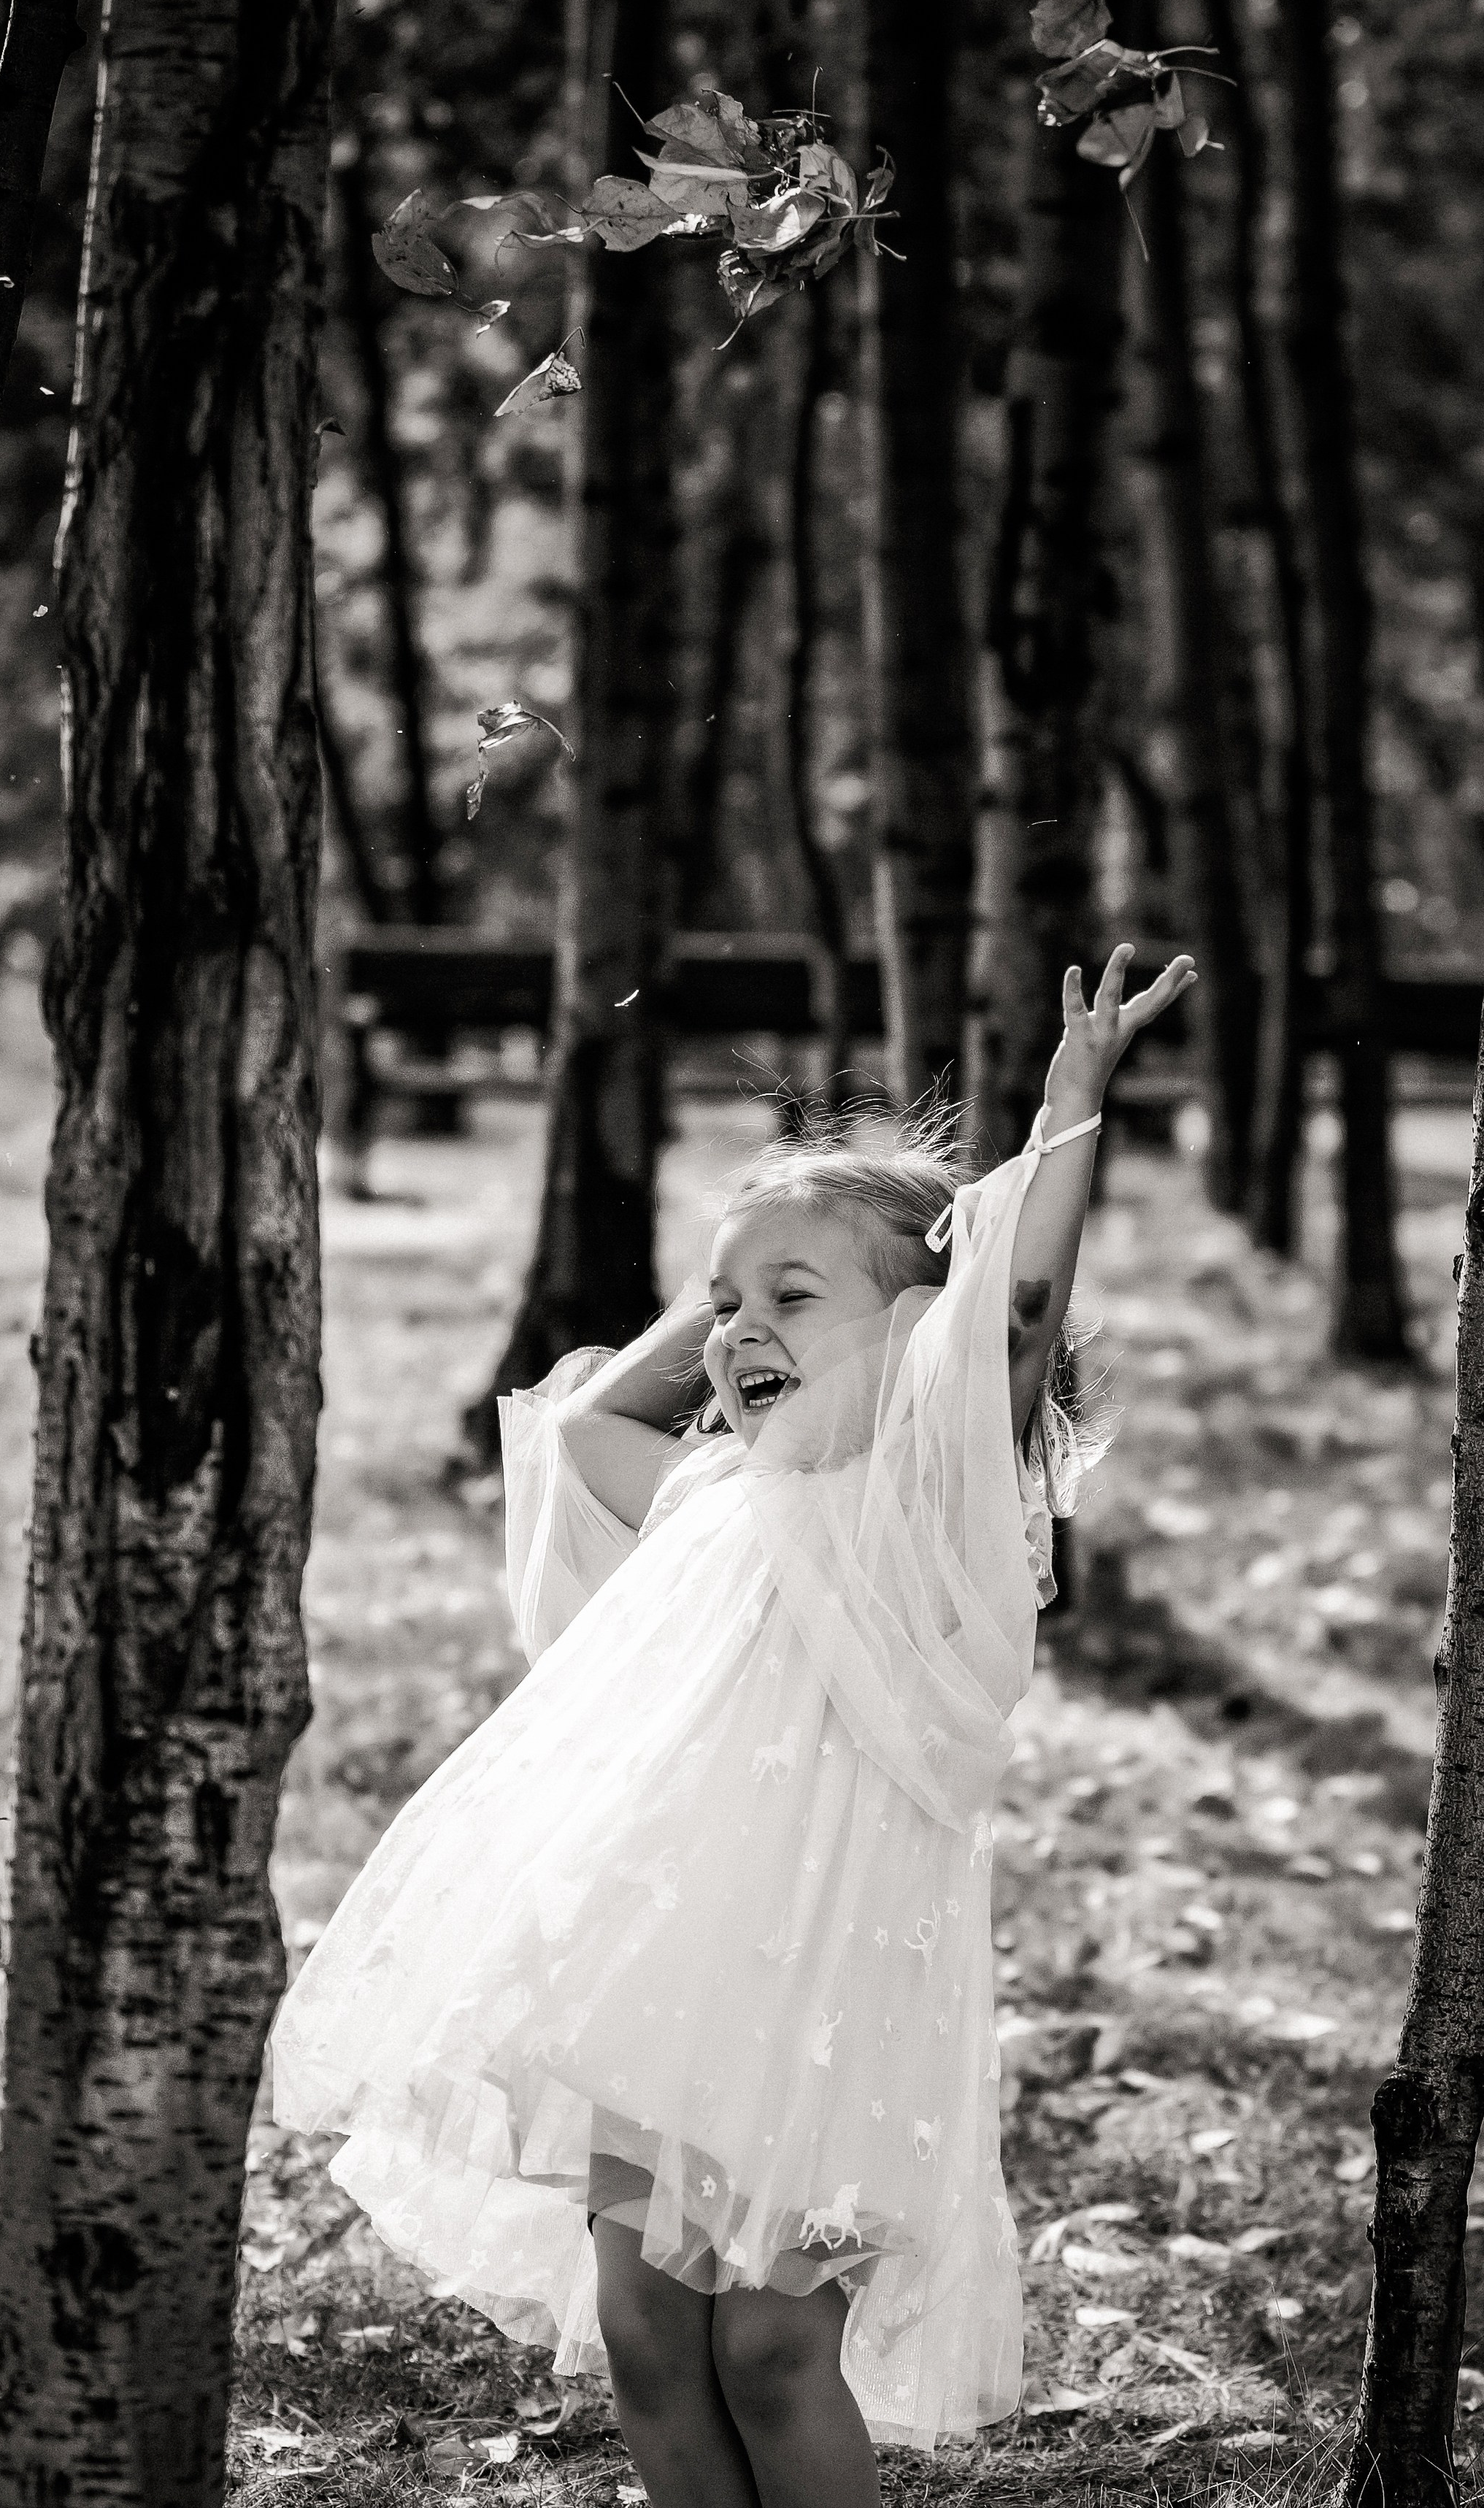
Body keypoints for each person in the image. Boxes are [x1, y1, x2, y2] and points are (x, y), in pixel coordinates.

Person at [268, 945, 1196, 2500]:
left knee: (771, 2344)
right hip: (657, 1970)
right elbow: (588, 1424)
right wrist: (740, 1289)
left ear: (921, 1337)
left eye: (793, 1301)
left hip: (835, 1981)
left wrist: (1064, 1109)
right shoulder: (714, 1491)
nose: (738, 1332)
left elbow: (1014, 1310)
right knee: (645, 2331)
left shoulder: (932, 1520)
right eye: (726, 1309)